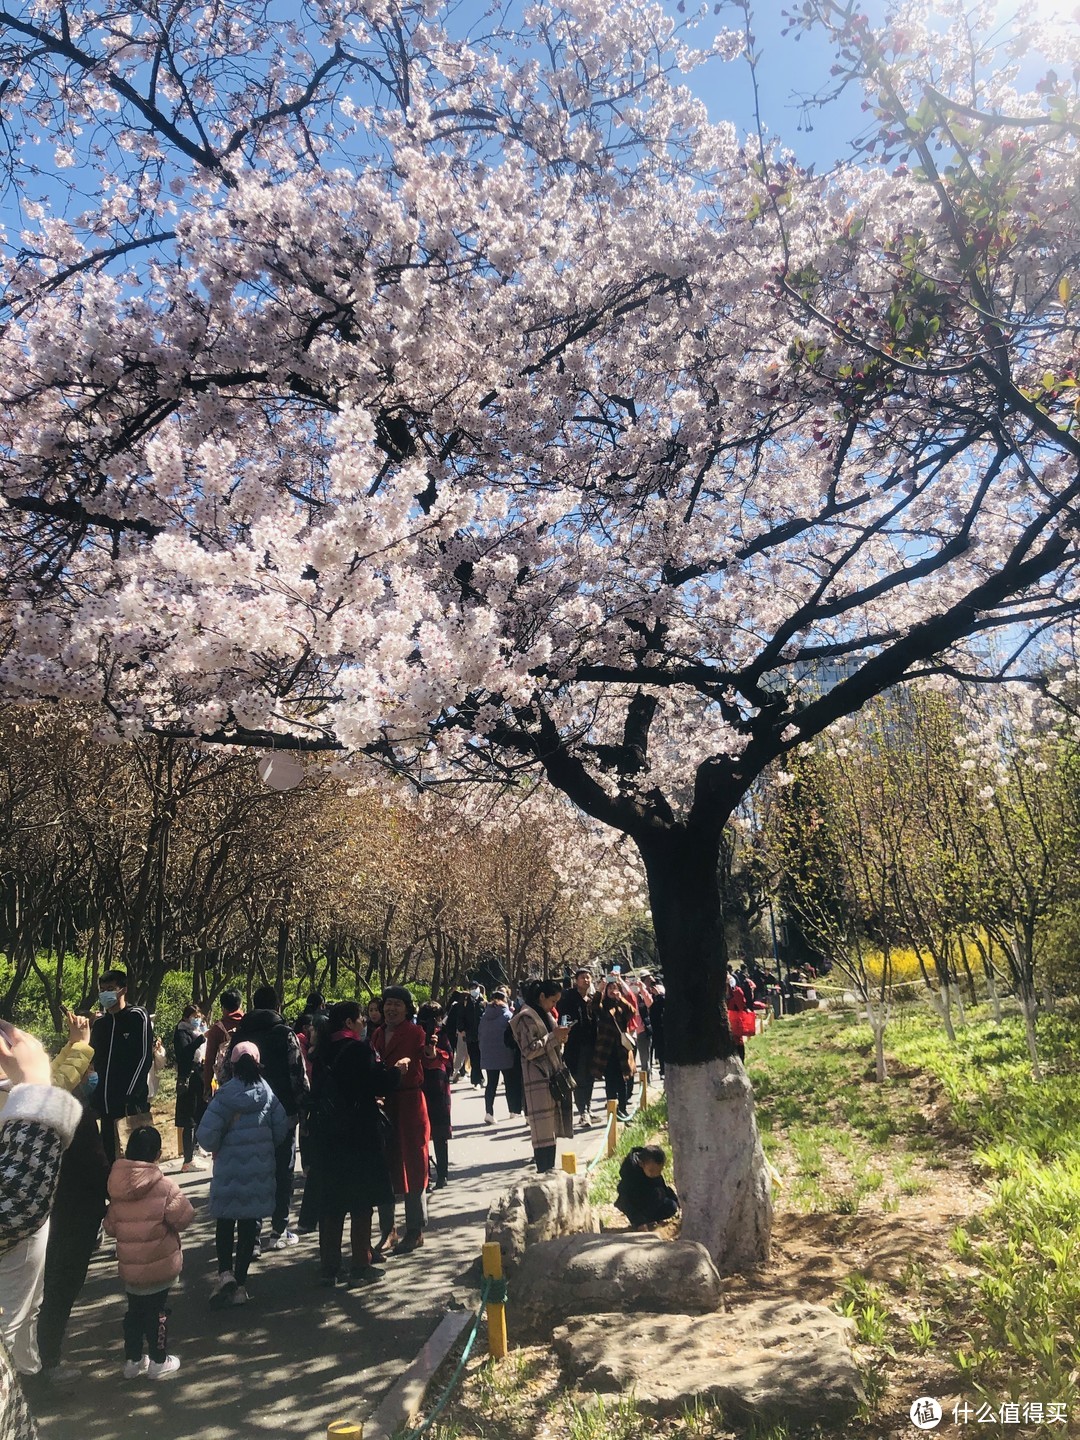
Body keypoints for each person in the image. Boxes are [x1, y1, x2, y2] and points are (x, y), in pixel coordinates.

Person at [0, 1020, 83, 1440]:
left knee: (28, 1311)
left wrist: (75, 1046)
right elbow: (16, 1201)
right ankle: (27, 1382)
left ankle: (29, 1376)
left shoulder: (14, 1090)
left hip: (28, 1242)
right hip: (18, 1240)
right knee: (14, 1320)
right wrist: (35, 1085)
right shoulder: (18, 1094)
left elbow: (57, 1081)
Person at [307, 1001, 404, 1288]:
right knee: (362, 1202)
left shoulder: (320, 1052)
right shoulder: (359, 1050)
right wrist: (397, 1070)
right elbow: (377, 1083)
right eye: (361, 1019)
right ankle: (361, 1263)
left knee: (332, 1205)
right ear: (349, 1023)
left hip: (328, 1135)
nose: (364, 1023)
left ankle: (329, 1268)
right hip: (359, 1134)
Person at [196, 1040, 288, 1310]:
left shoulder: (224, 1095)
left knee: (225, 1223)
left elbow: (206, 1137)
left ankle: (224, 1274)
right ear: (258, 1063)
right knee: (249, 1226)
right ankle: (241, 1284)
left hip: (229, 1171)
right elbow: (281, 1131)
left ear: (232, 1065)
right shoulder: (268, 1094)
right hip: (259, 1171)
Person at [221, 985, 310, 1249]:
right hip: (283, 1110)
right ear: (277, 1005)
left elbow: (225, 1073)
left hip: (247, 1115)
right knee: (283, 1171)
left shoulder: (240, 1036)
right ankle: (279, 1230)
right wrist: (303, 1108)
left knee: (255, 1172)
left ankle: (253, 1237)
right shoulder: (285, 1033)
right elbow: (298, 1073)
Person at [36, 1073, 110, 1386]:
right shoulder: (77, 1118)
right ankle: (46, 1363)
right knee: (60, 1289)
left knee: (40, 1289)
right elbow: (96, 1166)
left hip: (43, 1216)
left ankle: (37, 1359)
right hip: (76, 1215)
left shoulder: (29, 1119)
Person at [103, 1126, 194, 1379]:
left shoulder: (117, 1188)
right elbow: (184, 1218)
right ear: (157, 1154)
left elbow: (110, 1227)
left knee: (134, 1312)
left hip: (131, 1268)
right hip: (160, 1264)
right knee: (158, 1312)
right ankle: (158, 1359)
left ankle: (132, 1360)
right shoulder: (164, 1186)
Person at [369, 987, 430, 1254]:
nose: (391, 1009)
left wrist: (430, 1051)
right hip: (385, 1104)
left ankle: (415, 1230)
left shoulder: (416, 1032)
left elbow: (429, 1057)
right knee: (385, 1166)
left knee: (414, 1165)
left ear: (407, 1008)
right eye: (387, 1004)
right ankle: (388, 1231)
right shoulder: (377, 1034)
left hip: (410, 1103)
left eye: (396, 1004)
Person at [89, 969, 154, 1164]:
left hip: (130, 1104)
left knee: (136, 1159)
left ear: (123, 990)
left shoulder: (137, 1016)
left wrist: (131, 1093)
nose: (105, 994)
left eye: (110, 988)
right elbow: (93, 1060)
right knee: (110, 1158)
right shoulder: (100, 1024)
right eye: (102, 989)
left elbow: (144, 1057)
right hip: (105, 1104)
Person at [510, 979, 573, 1173]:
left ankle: (550, 1170)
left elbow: (550, 1040)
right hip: (537, 1078)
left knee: (551, 1127)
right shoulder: (525, 1017)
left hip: (552, 1076)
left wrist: (560, 1037)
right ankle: (543, 1170)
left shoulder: (544, 1013)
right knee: (542, 1131)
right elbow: (529, 1050)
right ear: (542, 997)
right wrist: (555, 1036)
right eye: (552, 1001)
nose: (554, 1006)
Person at [417, 1003, 453, 1189]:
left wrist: (435, 1052)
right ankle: (427, 1176)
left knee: (439, 1134)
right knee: (424, 1135)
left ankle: (442, 1175)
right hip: (422, 1086)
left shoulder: (442, 1034)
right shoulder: (415, 1034)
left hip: (438, 1086)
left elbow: (449, 1059)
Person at [591, 977, 636, 1122]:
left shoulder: (621, 1005)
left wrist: (621, 998)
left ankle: (622, 1109)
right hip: (606, 1050)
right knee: (610, 1082)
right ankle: (613, 1111)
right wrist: (599, 990)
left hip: (621, 1049)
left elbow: (632, 1013)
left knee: (623, 1081)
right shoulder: (602, 1005)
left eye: (614, 988)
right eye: (609, 988)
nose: (612, 991)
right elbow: (593, 1007)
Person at [559, 970, 597, 1126]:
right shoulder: (568, 998)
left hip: (591, 1045)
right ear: (576, 980)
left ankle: (587, 1108)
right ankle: (583, 1112)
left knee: (590, 1078)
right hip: (575, 1046)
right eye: (582, 978)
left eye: (588, 977)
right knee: (579, 1079)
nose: (586, 980)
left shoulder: (592, 999)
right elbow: (562, 1019)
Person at [172, 1005, 206, 1172]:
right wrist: (200, 1040)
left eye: (198, 1016)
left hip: (198, 1078)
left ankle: (194, 1152)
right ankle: (188, 1159)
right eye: (194, 1016)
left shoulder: (196, 1032)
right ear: (186, 1017)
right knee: (189, 1120)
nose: (197, 1019)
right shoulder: (181, 1033)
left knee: (198, 1115)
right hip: (188, 1079)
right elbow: (184, 1053)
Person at [615, 1144, 679, 1230]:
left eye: (659, 1171)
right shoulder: (630, 1176)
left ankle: (651, 1220)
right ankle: (642, 1222)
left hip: (650, 1200)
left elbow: (663, 1188)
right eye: (652, 1171)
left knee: (671, 1206)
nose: (656, 1174)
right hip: (635, 1203)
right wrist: (639, 1222)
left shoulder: (654, 1174)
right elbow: (625, 1201)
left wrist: (677, 1201)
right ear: (641, 1164)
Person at [477, 990, 516, 1124]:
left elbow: (480, 1034)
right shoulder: (508, 1015)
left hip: (488, 1054)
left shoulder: (484, 1016)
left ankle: (489, 1112)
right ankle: (513, 1110)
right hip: (505, 1053)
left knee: (491, 1084)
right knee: (510, 1083)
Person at [201, 988, 244, 1096]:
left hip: (226, 1080)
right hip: (249, 1078)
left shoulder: (217, 1029)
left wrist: (207, 1086)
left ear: (223, 1007)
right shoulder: (249, 1023)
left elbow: (209, 1059)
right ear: (240, 1005)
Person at [727, 985, 757, 1062]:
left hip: (735, 1031)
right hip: (720, 1035)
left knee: (739, 1056)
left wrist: (734, 990)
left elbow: (741, 1005)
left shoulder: (736, 991)